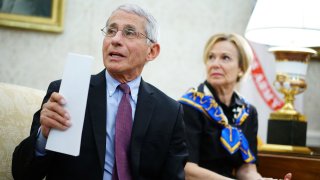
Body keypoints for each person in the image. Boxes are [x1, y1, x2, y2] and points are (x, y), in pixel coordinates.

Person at [12, 4, 188, 180]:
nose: (115, 40)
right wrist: (43, 137)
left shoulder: (170, 112)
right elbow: (23, 174)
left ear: (152, 51)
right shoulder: (67, 92)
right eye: (111, 31)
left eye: (129, 32)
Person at [179, 33, 292, 180]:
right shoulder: (189, 106)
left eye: (225, 58)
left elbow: (246, 169)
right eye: (211, 57)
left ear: (241, 68)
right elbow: (187, 170)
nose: (215, 64)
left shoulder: (248, 112)